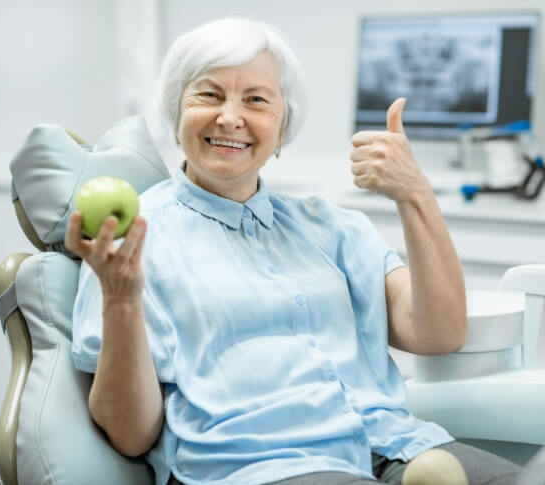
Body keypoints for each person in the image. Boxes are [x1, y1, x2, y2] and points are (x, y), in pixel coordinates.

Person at [66, 17, 521, 485]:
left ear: (282, 128)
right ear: (176, 111)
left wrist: (415, 195)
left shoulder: (333, 227)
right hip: (261, 467)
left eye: (256, 100)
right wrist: (120, 297)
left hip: (395, 445)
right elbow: (131, 435)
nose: (229, 117)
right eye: (209, 94)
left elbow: (440, 333)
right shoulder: (134, 241)